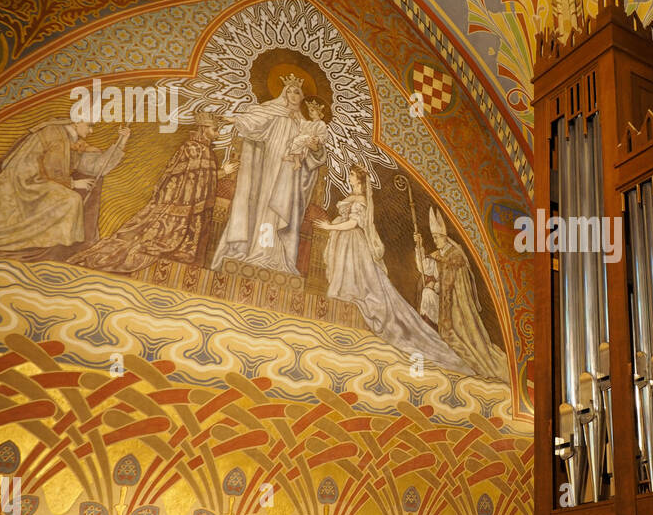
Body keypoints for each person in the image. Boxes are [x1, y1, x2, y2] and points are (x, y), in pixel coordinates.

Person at [316, 170, 474, 375]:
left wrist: (330, 227)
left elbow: (354, 223)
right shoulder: (355, 197)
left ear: (360, 180)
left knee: (367, 289)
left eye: (353, 174)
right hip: (347, 241)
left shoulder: (362, 200)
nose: (350, 176)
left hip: (354, 242)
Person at [0, 115, 129, 258]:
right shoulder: (55, 135)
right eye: (89, 125)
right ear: (78, 121)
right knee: (71, 199)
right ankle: (44, 249)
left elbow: (95, 166)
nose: (91, 131)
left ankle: (45, 247)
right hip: (23, 183)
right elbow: (54, 171)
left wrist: (121, 141)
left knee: (68, 199)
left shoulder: (70, 140)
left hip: (37, 183)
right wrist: (75, 183)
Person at [71, 112, 224, 273]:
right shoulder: (193, 148)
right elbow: (186, 176)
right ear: (204, 128)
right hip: (180, 204)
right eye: (215, 130)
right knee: (150, 239)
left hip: (194, 205)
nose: (218, 134)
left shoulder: (205, 150)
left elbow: (201, 177)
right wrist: (223, 172)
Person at [210, 72, 327, 275]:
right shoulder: (272, 111)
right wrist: (232, 120)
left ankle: (273, 255)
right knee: (263, 204)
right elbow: (251, 121)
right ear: (283, 93)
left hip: (290, 173)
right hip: (268, 168)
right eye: (289, 91)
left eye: (297, 92)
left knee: (280, 211)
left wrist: (316, 148)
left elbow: (314, 156)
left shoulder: (305, 124)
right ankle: (256, 249)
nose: (292, 95)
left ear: (301, 97)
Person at [415, 206, 507, 381]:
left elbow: (450, 283)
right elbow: (425, 267)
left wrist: (437, 286)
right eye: (433, 237)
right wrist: (419, 247)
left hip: (455, 306)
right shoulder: (440, 254)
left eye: (436, 237)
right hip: (442, 299)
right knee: (427, 293)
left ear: (444, 237)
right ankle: (428, 339)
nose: (434, 241)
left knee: (431, 294)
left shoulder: (455, 256)